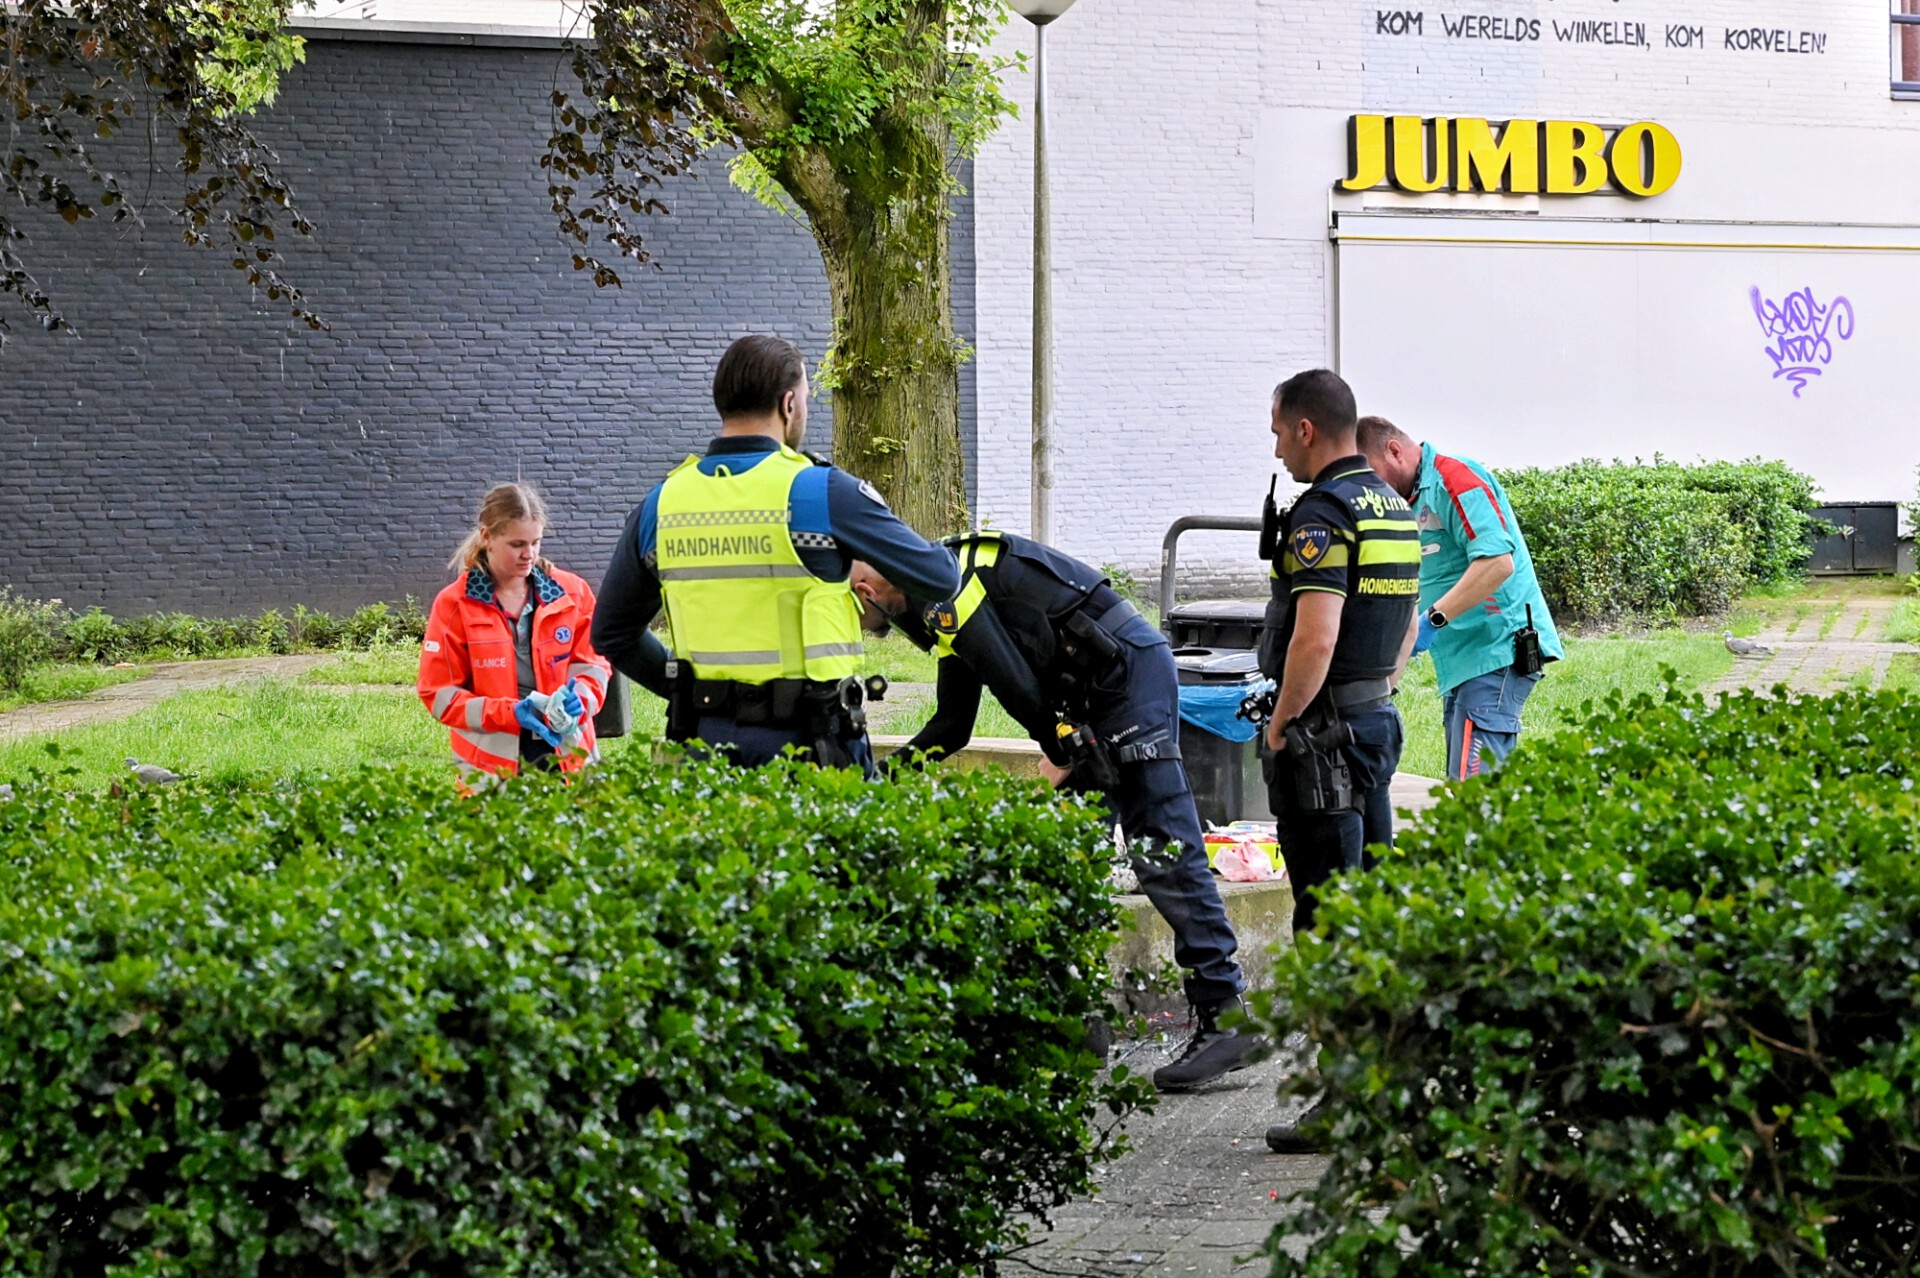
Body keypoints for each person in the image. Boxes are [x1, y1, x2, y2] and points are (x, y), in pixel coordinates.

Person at [850, 532, 1263, 1091]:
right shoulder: (941, 585)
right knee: (1058, 854)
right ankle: (1077, 1020)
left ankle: (1227, 1017)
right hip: (1095, 692)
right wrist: (877, 783)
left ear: (866, 587)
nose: (865, 625)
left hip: (1125, 679)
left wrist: (1065, 749)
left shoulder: (946, 586)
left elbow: (1019, 689)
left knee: (1163, 848)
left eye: (857, 610)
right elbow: (953, 724)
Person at [592, 334, 958, 773]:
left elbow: (613, 633)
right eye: (806, 398)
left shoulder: (661, 504)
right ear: (788, 405)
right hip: (810, 746)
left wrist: (683, 690)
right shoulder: (821, 493)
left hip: (704, 745)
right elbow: (940, 577)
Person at [1257, 371, 1419, 1153]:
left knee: (1326, 917)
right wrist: (1375, 691)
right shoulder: (1392, 504)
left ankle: (1342, 1101)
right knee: (1374, 908)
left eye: (1280, 430)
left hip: (1325, 738)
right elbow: (1406, 627)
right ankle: (1390, 1088)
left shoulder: (1321, 515)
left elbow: (1313, 636)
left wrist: (1284, 723)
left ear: (1308, 430)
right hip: (1374, 721)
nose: (1278, 445)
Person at [1356, 416, 1563, 780]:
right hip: (1464, 662)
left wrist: (1433, 620)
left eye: (1371, 473)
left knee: (1474, 798)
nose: (1369, 487)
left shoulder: (1455, 478)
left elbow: (1498, 563)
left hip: (1496, 652)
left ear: (1394, 450)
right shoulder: (1409, 501)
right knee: (1466, 792)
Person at [419, 482, 612, 788]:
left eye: (536, 542)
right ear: (487, 537)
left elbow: (594, 665)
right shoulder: (455, 604)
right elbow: (439, 695)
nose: (530, 554)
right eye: (517, 544)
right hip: (490, 770)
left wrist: (582, 697)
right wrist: (508, 714)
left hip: (569, 758)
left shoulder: (572, 593)